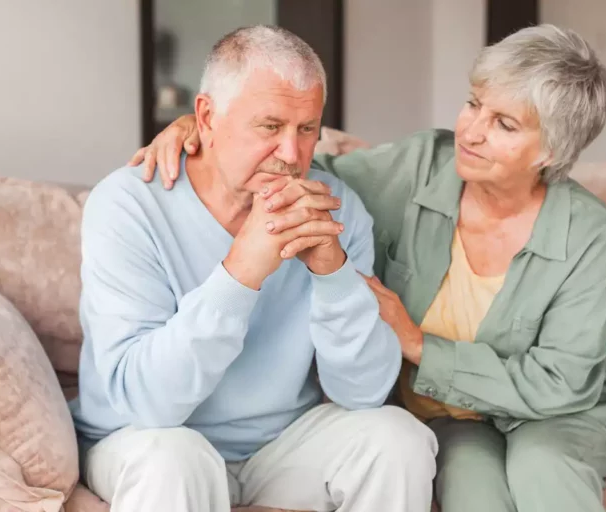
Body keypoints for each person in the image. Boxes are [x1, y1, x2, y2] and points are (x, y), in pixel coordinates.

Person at [135, 24, 606, 512]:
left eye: (504, 124)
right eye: (473, 105)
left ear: (552, 150)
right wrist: (205, 129)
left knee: (542, 469)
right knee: (472, 489)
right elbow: (296, 168)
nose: (472, 131)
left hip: (557, 411)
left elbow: (562, 383)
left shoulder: (589, 232)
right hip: (456, 418)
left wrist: (417, 343)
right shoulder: (422, 164)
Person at [70, 25, 437, 512]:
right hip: (146, 437)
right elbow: (148, 405)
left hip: (280, 445)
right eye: (270, 127)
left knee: (397, 439)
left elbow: (365, 392)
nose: (291, 155)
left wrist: (334, 272)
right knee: (172, 459)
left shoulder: (336, 207)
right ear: (206, 116)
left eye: (307, 129)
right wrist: (241, 272)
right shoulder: (127, 204)